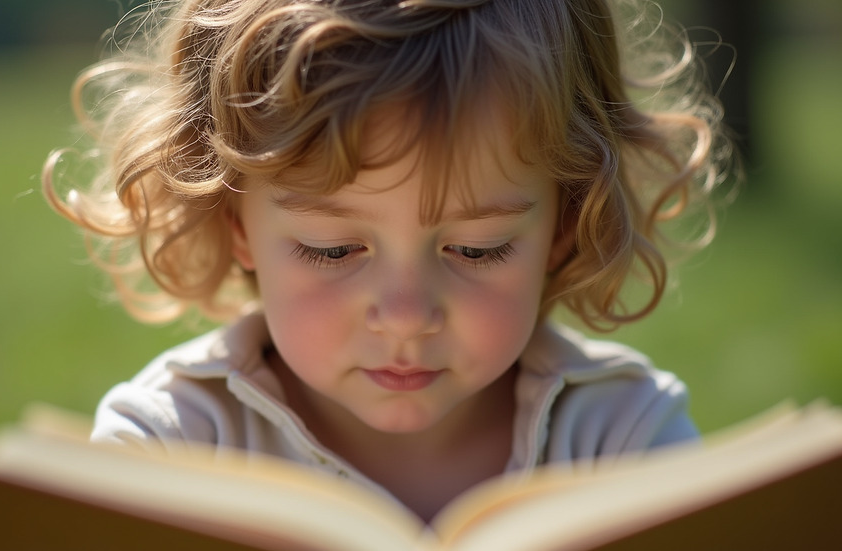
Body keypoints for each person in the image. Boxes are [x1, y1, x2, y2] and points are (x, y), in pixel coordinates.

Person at [43, 0, 735, 521]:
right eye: (332, 248)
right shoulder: (166, 449)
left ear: (565, 222)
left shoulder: (627, 437)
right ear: (235, 222)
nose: (406, 316)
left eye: (477, 248)